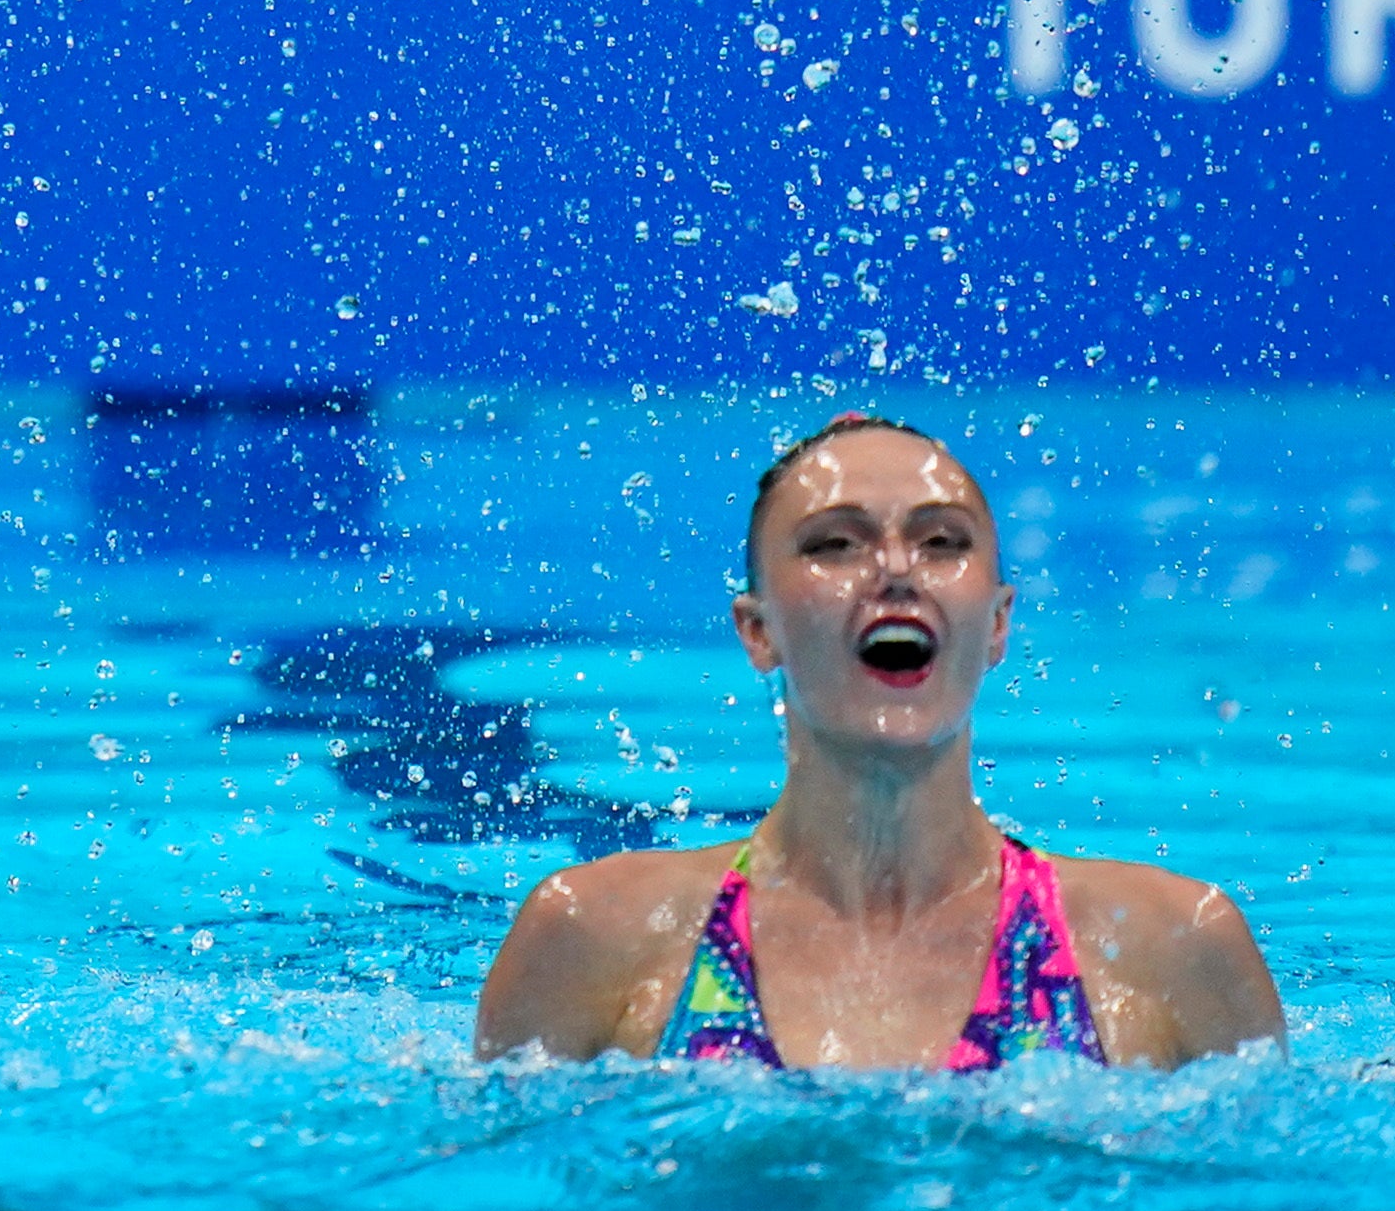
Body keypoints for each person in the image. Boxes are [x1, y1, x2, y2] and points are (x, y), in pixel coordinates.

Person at [472, 415, 1280, 1071]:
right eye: (835, 543)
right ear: (757, 631)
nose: (896, 568)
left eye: (941, 541)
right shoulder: (597, 938)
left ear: (998, 622)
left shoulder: (1173, 947)